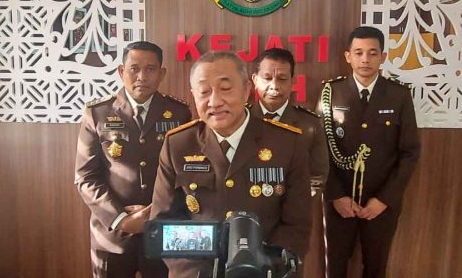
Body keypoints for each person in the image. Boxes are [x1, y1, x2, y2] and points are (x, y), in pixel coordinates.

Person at [150, 51, 311, 278]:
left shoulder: (287, 143)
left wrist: (266, 267)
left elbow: (297, 225)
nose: (215, 101)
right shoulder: (178, 144)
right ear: (193, 95)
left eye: (225, 89)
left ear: (246, 90)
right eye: (204, 92)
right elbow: (164, 224)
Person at [75, 41, 192, 278]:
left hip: (162, 232)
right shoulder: (98, 113)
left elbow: (186, 174)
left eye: (150, 69)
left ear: (162, 74)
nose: (142, 76)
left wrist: (155, 213)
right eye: (134, 69)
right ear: (121, 71)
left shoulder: (179, 113)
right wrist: (120, 219)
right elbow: (85, 177)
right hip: (112, 235)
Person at [318, 26, 420, 278]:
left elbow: (409, 152)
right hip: (339, 201)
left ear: (383, 57)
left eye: (373, 53)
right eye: (359, 52)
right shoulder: (331, 92)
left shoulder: (398, 95)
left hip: (381, 202)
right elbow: (319, 150)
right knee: (335, 267)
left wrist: (385, 199)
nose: (365, 59)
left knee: (376, 266)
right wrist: (336, 195)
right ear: (347, 56)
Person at [250, 47, 329, 195]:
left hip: (294, 204)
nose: (274, 86)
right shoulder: (240, 119)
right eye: (267, 78)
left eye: (282, 79)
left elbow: (317, 178)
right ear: (255, 80)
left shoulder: (310, 125)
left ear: (292, 82)